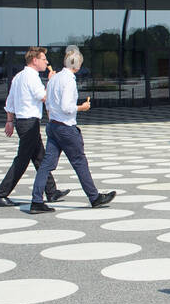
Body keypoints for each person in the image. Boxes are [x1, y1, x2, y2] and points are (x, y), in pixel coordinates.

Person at [29, 47, 115, 213]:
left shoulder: (54, 79)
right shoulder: (69, 80)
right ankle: (94, 197)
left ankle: (36, 200)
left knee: (46, 165)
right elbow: (67, 107)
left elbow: (47, 103)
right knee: (79, 162)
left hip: (53, 126)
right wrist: (82, 107)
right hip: (65, 127)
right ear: (77, 65)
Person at [0, 47, 68, 207]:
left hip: (23, 122)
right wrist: (52, 81)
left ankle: (51, 191)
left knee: (40, 157)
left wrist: (10, 121)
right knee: (22, 160)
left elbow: (10, 102)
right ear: (35, 60)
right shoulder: (32, 77)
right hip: (29, 123)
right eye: (44, 59)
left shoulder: (18, 77)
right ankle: (0, 194)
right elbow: (44, 97)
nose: (46, 62)